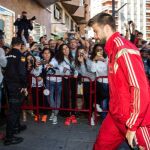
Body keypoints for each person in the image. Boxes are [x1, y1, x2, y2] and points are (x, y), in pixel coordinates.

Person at [88, 13, 150, 150]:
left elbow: (140, 88)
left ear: (106, 28)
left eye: (96, 31)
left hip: (134, 120)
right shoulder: (112, 50)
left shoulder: (123, 49)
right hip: (116, 116)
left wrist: (133, 125)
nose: (95, 36)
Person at [4, 37, 28, 145]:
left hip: (8, 85)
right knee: (13, 111)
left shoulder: (7, 55)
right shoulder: (20, 56)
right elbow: (22, 72)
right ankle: (9, 137)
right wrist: (24, 85)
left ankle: (17, 126)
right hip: (16, 86)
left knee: (15, 108)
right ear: (19, 44)